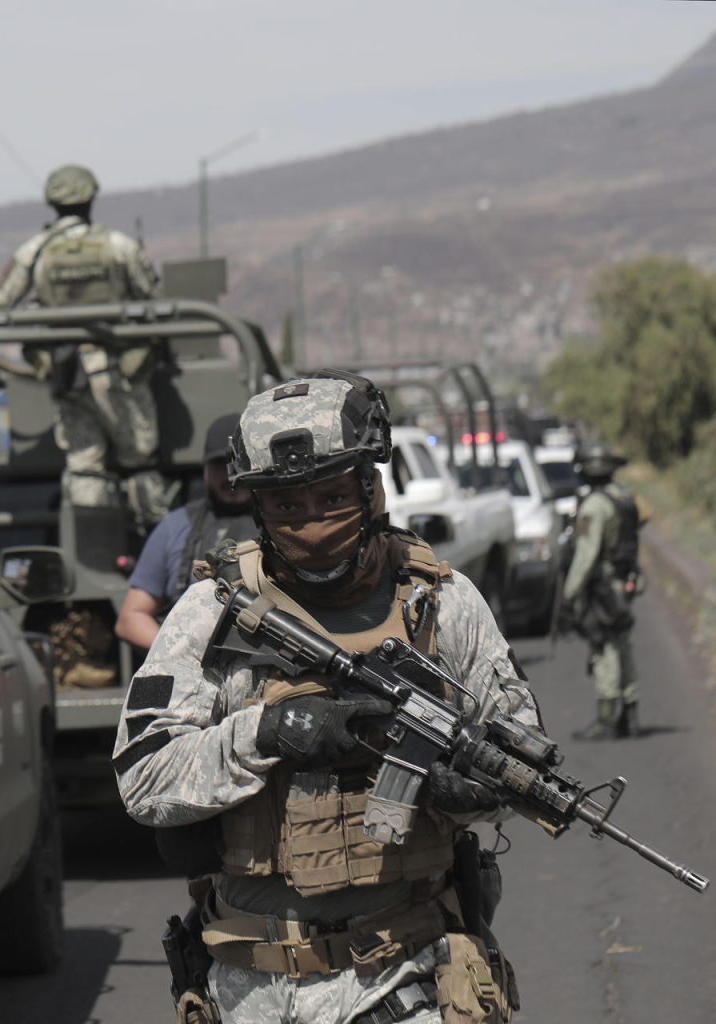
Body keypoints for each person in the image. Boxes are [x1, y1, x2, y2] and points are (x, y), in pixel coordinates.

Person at [113, 372, 543, 1024]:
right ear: (258, 506)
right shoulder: (213, 613)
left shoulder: (438, 601)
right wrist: (269, 732)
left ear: (371, 488)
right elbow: (143, 776)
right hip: (251, 987)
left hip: (408, 974)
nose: (311, 521)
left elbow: (522, 745)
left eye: (332, 497)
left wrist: (474, 782)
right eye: (287, 505)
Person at [0, 163, 168, 528]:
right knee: (140, 460)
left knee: (84, 466)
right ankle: (157, 544)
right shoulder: (118, 245)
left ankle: (92, 551)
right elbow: (154, 302)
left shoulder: (36, 251)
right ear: (91, 197)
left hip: (66, 373)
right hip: (119, 373)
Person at [116, 413, 254, 651]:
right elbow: (131, 618)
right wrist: (181, 655)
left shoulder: (286, 523)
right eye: (221, 465)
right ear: (205, 470)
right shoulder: (176, 525)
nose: (232, 475)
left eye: (241, 463)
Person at [561, 443, 644, 740]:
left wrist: (569, 594)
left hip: (604, 587)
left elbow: (585, 555)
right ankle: (631, 714)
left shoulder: (595, 505)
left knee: (604, 647)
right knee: (623, 643)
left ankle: (607, 719)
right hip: (624, 581)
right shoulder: (624, 496)